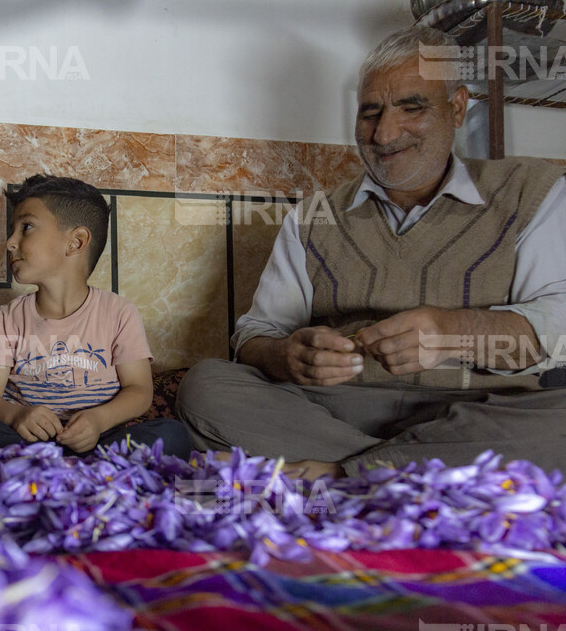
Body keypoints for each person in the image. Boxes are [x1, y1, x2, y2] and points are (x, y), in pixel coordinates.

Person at [175, 26, 566, 479]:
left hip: (479, 409)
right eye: (370, 112)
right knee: (205, 388)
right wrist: (284, 355)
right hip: (337, 410)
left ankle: (342, 476)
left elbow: (559, 333)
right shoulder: (313, 216)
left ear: (457, 108)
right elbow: (255, 335)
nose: (384, 133)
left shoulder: (529, 192)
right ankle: (407, 477)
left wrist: (454, 333)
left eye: (411, 107)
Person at [0, 174, 194, 458]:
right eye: (13, 230)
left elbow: (139, 390)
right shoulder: (7, 318)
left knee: (172, 436)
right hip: (28, 441)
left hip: (99, 440)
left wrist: (98, 420)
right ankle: (65, 470)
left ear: (76, 242)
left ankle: (66, 471)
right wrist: (16, 416)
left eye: (26, 227)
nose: (10, 243)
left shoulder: (119, 313)